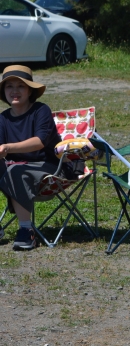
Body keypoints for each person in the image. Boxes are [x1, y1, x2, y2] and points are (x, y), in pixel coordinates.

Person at [0, 65, 74, 251]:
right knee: (12, 169)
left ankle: (26, 231)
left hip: (50, 167)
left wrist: (7, 147)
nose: (15, 91)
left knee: (15, 171)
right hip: (15, 167)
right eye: (9, 86)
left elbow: (40, 142)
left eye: (21, 86)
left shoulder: (40, 111)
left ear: (30, 90)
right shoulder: (3, 118)